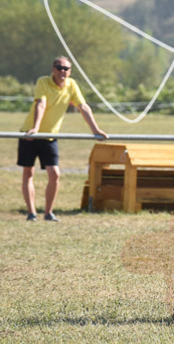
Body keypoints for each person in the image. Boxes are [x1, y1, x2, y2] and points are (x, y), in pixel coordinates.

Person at [18, 57, 108, 221]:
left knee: (54, 174)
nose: (62, 72)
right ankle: (31, 213)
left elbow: (82, 106)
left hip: (50, 137)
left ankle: (48, 213)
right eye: (59, 68)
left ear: (70, 71)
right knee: (28, 173)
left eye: (66, 69)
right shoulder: (43, 82)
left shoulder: (71, 85)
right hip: (30, 134)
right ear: (53, 69)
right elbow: (41, 104)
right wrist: (35, 129)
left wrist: (95, 129)